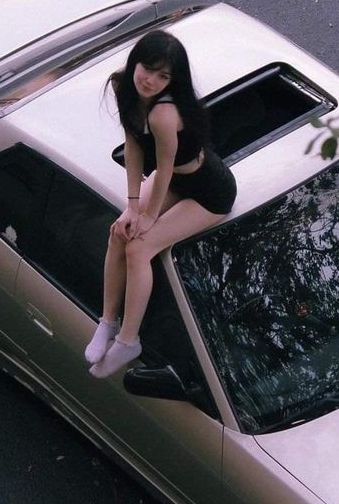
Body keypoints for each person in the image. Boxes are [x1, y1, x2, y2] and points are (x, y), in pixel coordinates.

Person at [85, 29, 236, 377]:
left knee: (139, 248)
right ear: (134, 61)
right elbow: (133, 146)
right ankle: (107, 322)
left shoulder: (163, 114)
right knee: (119, 232)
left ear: (172, 81)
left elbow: (164, 166)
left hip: (208, 191)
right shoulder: (123, 86)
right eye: (147, 68)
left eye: (163, 76)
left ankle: (128, 340)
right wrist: (131, 207)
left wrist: (149, 217)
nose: (151, 81)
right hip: (176, 181)